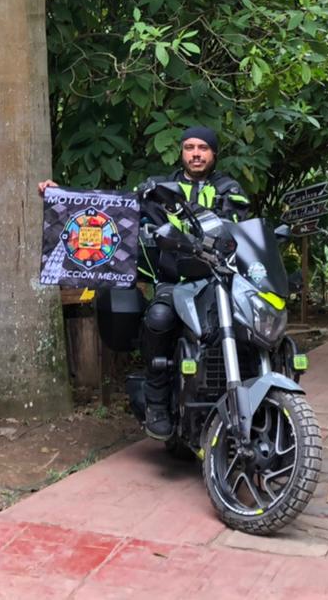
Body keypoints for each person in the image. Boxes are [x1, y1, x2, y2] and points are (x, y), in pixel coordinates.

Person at [37, 125, 251, 440]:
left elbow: (245, 231)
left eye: (202, 148)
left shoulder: (231, 190)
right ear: (181, 151)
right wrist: (60, 194)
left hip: (219, 282)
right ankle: (157, 402)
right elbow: (112, 208)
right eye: (189, 147)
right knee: (159, 317)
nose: (195, 153)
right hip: (174, 282)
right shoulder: (158, 188)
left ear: (213, 153)